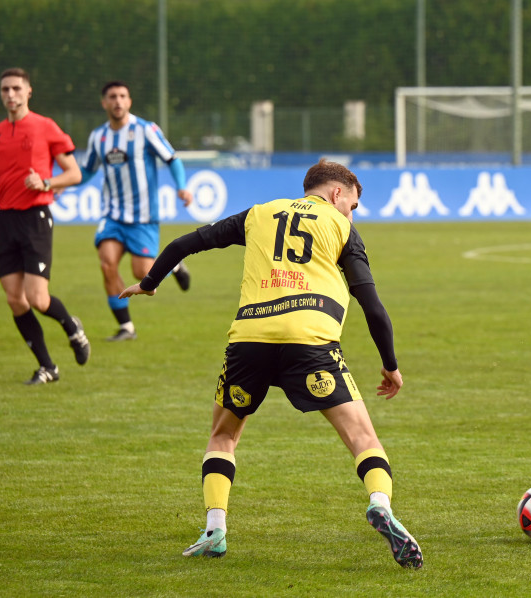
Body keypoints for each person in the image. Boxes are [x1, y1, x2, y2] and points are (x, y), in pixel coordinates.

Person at [119, 159, 423, 569]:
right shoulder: (342, 228)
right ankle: (380, 504)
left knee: (223, 436)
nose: (351, 212)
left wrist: (150, 283)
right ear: (337, 194)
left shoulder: (258, 214)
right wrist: (390, 364)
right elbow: (372, 305)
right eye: (352, 204)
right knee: (362, 438)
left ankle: (215, 530)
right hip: (311, 341)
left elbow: (185, 243)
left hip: (250, 341)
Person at [79, 80, 193, 342]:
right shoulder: (99, 136)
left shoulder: (145, 129)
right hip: (112, 215)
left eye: (122, 96)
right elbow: (87, 170)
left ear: (129, 101)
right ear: (104, 102)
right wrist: (65, 184)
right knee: (107, 264)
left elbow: (172, 159)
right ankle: (126, 328)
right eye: (112, 96)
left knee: (142, 274)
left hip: (143, 217)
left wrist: (182, 187)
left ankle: (173, 265)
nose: (117, 101)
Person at [0, 67, 91, 384]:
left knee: (37, 298)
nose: (10, 95)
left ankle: (71, 327)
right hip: (4, 220)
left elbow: (74, 174)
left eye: (16, 89)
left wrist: (46, 182)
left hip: (34, 218)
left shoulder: (44, 126)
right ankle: (48, 367)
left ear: (28, 92)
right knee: (14, 299)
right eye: (5, 90)